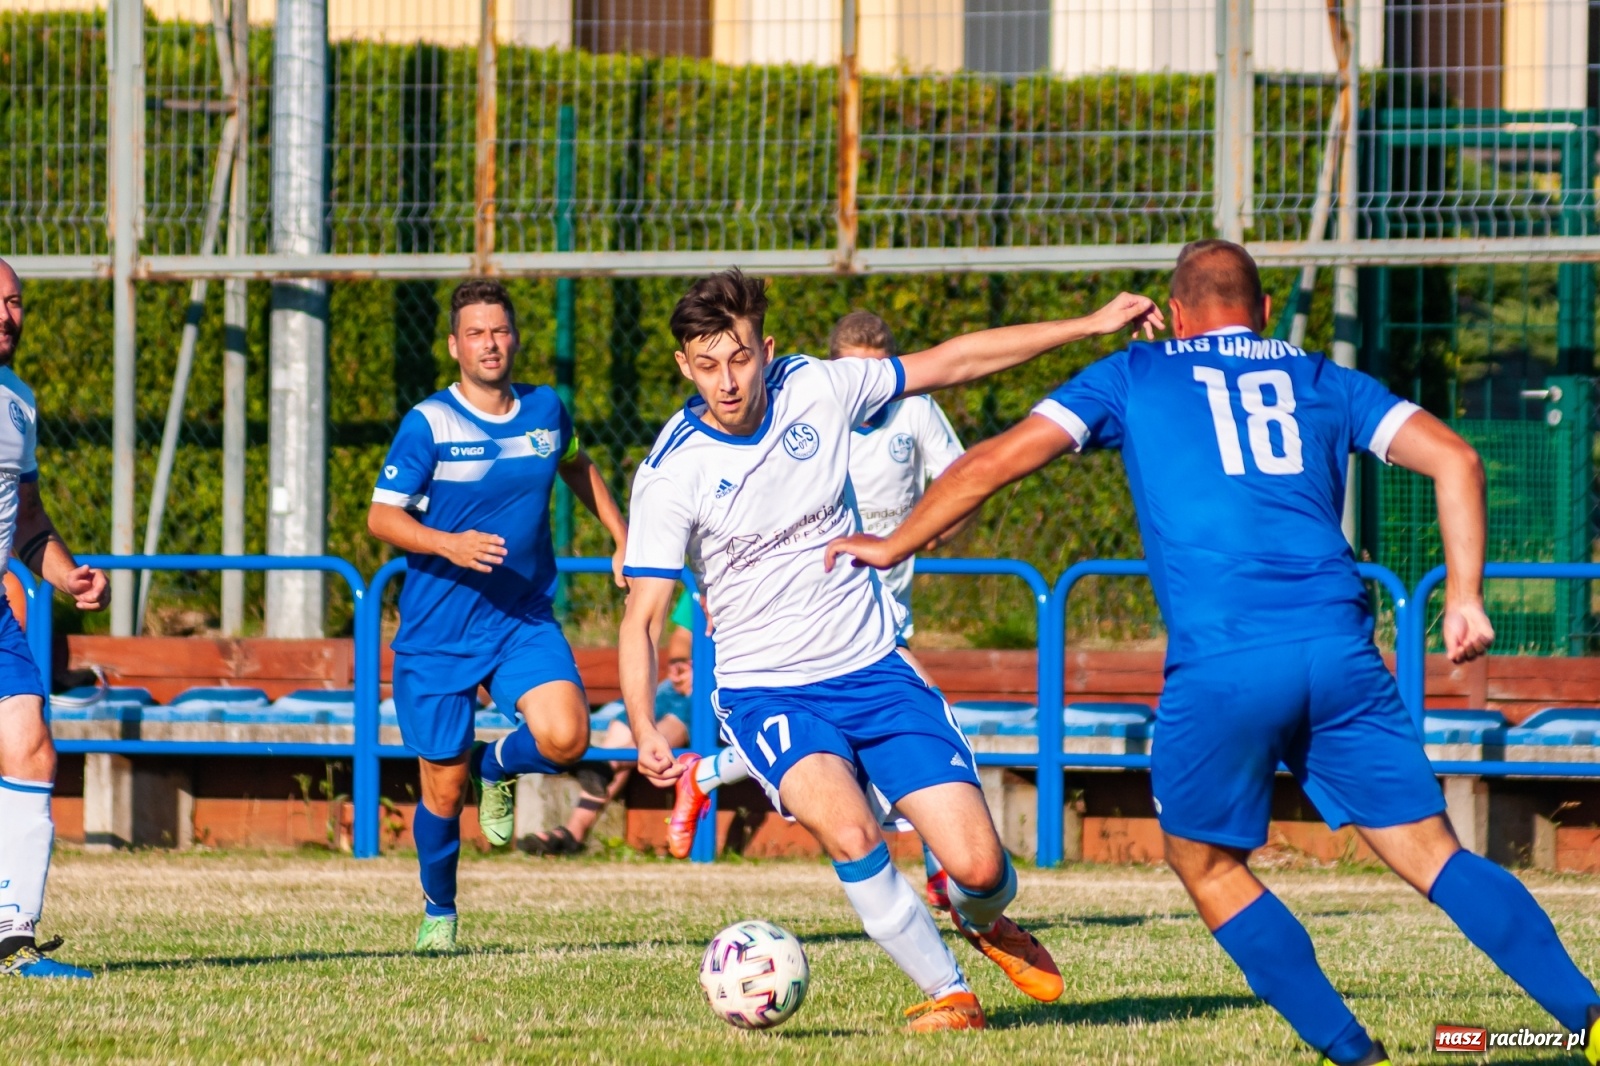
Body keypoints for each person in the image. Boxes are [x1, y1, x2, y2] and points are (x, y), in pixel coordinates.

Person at [826, 240, 1600, 1065]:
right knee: (1436, 857)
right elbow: (1457, 458)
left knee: (1206, 863)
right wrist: (1468, 595)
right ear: (1264, 312)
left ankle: (1353, 1053)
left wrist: (893, 541)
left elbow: (993, 462)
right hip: (1340, 651)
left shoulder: (1136, 372)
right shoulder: (1320, 377)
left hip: (1225, 662)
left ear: (1180, 316)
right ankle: (1588, 1020)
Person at [619, 268, 1160, 1030]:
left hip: (874, 669)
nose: (728, 382)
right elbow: (641, 616)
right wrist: (644, 726)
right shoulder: (672, 471)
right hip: (767, 691)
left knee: (982, 870)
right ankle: (951, 994)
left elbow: (956, 359)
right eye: (707, 366)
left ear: (766, 350)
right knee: (851, 831)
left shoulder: (820, 386)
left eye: (740, 359)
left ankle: (981, 916)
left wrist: (1088, 324)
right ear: (684, 366)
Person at [667, 311, 968, 911]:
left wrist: (939, 525)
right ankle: (947, 873)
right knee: (921, 729)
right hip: (819, 619)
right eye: (856, 366)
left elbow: (964, 476)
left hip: (879, 614)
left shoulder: (912, 410)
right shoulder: (805, 412)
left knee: (911, 735)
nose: (867, 381)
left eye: (878, 369)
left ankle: (702, 775)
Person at [368, 279, 629, 952]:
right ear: (456, 345)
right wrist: (446, 543)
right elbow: (381, 517)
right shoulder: (430, 424)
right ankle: (440, 911)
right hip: (438, 631)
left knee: (569, 737)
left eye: (501, 330)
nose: (491, 343)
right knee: (441, 794)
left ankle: (499, 766)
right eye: (476, 332)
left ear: (515, 338)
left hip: (519, 617)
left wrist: (623, 536)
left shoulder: (545, 411)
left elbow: (578, 466)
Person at [0, 256, 111, 979]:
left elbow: (28, 523)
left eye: (15, 305)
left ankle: (12, 937)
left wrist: (64, 572)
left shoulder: (19, 403)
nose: (8, 318)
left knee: (32, 747)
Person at [520, 591, 695, 856]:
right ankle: (574, 830)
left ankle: (602, 772)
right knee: (623, 725)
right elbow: (682, 636)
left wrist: (703, 674)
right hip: (682, 686)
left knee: (678, 717)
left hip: (723, 690)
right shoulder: (704, 579)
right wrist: (682, 665)